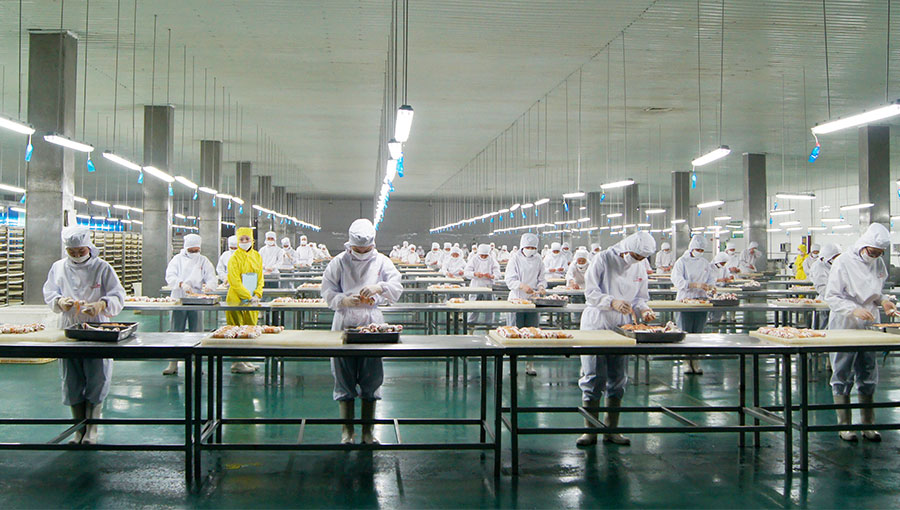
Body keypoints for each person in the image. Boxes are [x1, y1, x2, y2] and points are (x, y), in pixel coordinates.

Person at [321, 219, 403, 444]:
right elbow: (326, 290)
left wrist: (380, 288)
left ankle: (368, 431)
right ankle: (347, 432)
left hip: (371, 321)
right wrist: (343, 300)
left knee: (371, 375)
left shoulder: (382, 261)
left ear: (373, 245)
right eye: (358, 250)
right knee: (343, 374)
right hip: (344, 320)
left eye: (366, 249)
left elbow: (396, 286)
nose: (362, 253)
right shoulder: (340, 261)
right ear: (350, 245)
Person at [43, 226, 126, 444]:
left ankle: (92, 429)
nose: (77, 255)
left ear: (89, 247)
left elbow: (118, 295)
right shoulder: (58, 267)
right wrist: (59, 301)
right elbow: (50, 292)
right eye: (72, 252)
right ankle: (78, 428)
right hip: (69, 326)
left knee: (97, 376)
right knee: (71, 379)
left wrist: (101, 304)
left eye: (81, 251)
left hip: (97, 327)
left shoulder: (102, 267)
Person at [577, 231, 657, 447]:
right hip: (597, 322)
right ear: (627, 248)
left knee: (618, 377)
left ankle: (611, 429)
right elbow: (590, 292)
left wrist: (645, 309)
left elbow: (640, 297)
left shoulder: (639, 266)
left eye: (642, 258)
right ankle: (590, 431)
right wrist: (611, 302)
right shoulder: (603, 258)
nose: (638, 260)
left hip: (623, 325)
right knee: (593, 376)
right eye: (636, 256)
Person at [824, 223, 896, 443]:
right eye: (872, 252)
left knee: (867, 369)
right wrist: (852, 309)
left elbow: (877, 292)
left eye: (879, 253)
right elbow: (832, 296)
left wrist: (884, 301)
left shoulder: (878, 262)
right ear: (864, 245)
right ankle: (845, 425)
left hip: (870, 321)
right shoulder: (843, 262)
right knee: (842, 370)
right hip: (845, 322)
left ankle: (868, 425)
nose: (874, 256)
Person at [163, 233, 217, 375]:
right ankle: (173, 363)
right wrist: (181, 284)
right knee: (176, 330)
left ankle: (196, 363)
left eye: (196, 250)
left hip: (197, 298)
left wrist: (209, 286)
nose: (194, 253)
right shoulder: (177, 260)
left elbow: (211, 276)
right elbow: (170, 276)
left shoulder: (203, 260)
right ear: (186, 248)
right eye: (191, 250)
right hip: (179, 298)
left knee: (197, 332)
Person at [671, 235, 716, 375]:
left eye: (702, 250)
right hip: (685, 300)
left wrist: (711, 286)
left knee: (698, 332)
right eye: (698, 249)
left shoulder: (705, 263)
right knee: (685, 332)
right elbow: (677, 280)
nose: (699, 252)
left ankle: (695, 360)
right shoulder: (681, 262)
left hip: (701, 301)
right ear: (691, 248)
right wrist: (693, 285)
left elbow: (711, 278)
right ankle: (686, 361)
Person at [505, 233, 547, 376]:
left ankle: (530, 364)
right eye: (528, 247)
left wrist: (541, 286)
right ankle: (513, 364)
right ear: (522, 247)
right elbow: (509, 279)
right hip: (517, 299)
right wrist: (521, 286)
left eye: (533, 247)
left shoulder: (538, 259)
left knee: (532, 331)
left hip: (533, 300)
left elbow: (542, 277)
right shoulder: (515, 259)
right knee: (515, 332)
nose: (530, 250)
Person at [226, 227, 264, 374]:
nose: (244, 241)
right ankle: (236, 362)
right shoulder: (234, 258)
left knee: (250, 328)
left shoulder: (257, 256)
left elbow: (260, 277)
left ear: (252, 240)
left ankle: (245, 358)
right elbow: (234, 281)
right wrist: (247, 296)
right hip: (236, 298)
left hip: (252, 298)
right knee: (236, 329)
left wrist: (258, 294)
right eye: (241, 239)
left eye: (247, 239)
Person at [464, 244, 502, 324]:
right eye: (482, 255)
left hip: (488, 286)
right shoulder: (474, 259)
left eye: (485, 255)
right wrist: (474, 274)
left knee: (489, 307)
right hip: (476, 286)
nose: (484, 257)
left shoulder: (492, 260)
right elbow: (466, 272)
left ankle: (489, 324)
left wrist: (492, 276)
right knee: (474, 306)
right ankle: (471, 324)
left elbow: (498, 273)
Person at [809, 243, 840, 329]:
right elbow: (821, 288)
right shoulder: (818, 266)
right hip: (825, 302)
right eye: (835, 257)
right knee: (822, 329)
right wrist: (836, 296)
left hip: (836, 302)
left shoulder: (836, 265)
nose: (837, 259)